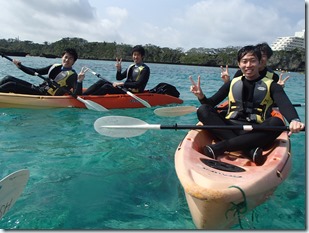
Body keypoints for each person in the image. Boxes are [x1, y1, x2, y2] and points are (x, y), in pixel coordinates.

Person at [190, 45, 304, 165]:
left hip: (256, 129)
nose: (248, 65)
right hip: (230, 127)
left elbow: (284, 104)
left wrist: (294, 120)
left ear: (259, 63)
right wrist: (201, 96)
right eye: (244, 61)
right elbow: (210, 104)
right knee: (203, 110)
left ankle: (221, 147)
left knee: (277, 122)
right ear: (239, 64)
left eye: (252, 61)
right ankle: (248, 150)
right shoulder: (232, 83)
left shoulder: (272, 85)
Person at [0, 48, 85, 96]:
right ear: (62, 57)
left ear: (74, 61)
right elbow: (35, 71)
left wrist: (79, 81)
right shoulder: (55, 66)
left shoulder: (73, 75)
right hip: (37, 89)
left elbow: (77, 94)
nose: (67, 60)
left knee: (11, 85)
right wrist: (20, 66)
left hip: (45, 96)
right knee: (8, 78)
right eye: (66, 57)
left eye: (70, 58)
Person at [83, 45, 150, 95]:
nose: (135, 57)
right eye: (134, 55)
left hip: (133, 92)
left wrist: (123, 84)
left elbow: (138, 84)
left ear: (142, 56)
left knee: (107, 87)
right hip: (125, 89)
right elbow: (119, 78)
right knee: (101, 81)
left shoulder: (145, 69)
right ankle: (83, 95)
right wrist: (118, 70)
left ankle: (91, 98)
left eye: (138, 55)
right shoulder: (131, 67)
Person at [220, 42, 290, 87]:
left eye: (263, 56)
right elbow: (232, 91)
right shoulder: (241, 73)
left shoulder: (273, 77)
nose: (260, 58)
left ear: (268, 58)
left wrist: (280, 89)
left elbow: (276, 100)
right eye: (258, 55)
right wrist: (227, 82)